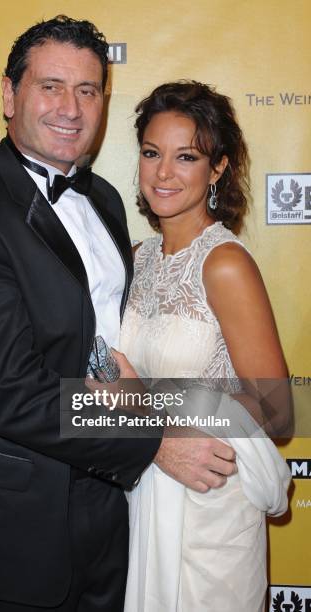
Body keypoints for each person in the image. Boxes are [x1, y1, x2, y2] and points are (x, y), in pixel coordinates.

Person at [0, 20, 237, 612]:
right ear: (10, 95)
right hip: (13, 533)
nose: (71, 107)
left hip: (116, 517)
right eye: (51, 86)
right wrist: (149, 440)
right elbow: (7, 390)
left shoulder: (107, 200)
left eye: (88, 90)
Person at [118, 81, 292, 611]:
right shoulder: (135, 258)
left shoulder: (224, 264)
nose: (163, 173)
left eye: (185, 156)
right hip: (148, 491)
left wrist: (153, 405)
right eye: (152, 153)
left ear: (217, 169)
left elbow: (279, 412)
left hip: (211, 512)